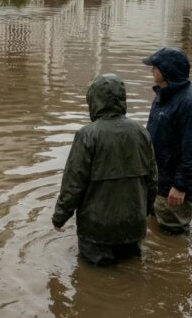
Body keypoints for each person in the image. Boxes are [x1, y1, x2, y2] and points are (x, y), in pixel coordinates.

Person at [52, 74, 157, 266]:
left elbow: (73, 183)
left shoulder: (87, 135)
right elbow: (152, 180)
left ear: (94, 100)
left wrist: (59, 217)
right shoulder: (142, 133)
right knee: (133, 275)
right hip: (133, 226)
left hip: (96, 230)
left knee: (95, 281)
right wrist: (146, 210)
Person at [143, 47, 192, 234]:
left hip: (173, 188)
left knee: (173, 238)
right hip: (157, 182)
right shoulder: (163, 96)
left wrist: (181, 186)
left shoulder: (191, 103)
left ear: (167, 71)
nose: (151, 70)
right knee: (157, 235)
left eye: (155, 66)